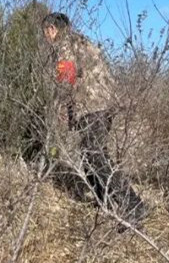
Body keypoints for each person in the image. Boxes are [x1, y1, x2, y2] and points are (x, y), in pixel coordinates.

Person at [42, 12, 147, 226]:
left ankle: (133, 205)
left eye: (45, 32)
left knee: (95, 155)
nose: (45, 37)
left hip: (92, 106)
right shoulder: (82, 41)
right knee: (89, 154)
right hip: (104, 103)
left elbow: (66, 78)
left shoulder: (65, 45)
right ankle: (104, 203)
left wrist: (57, 108)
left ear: (52, 29)